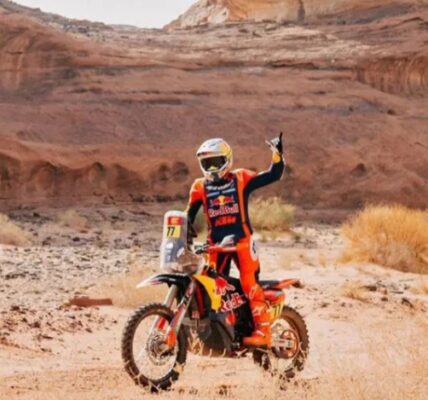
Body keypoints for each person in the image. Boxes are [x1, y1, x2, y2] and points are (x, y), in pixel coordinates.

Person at [186, 133, 285, 347]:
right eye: (207, 164)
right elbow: (188, 218)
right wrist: (180, 236)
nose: (213, 168)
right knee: (212, 287)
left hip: (242, 244)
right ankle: (219, 331)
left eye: (216, 162)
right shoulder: (199, 187)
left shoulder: (240, 178)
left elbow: (272, 175)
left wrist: (277, 156)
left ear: (227, 160)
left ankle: (263, 331)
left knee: (249, 284)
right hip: (215, 247)